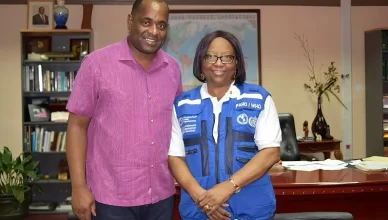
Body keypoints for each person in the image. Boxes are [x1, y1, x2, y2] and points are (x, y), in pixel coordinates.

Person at [65, 0, 182, 219]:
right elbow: (76, 126)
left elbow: (175, 129)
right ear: (130, 21)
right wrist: (78, 187)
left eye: (161, 25)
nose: (154, 31)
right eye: (146, 22)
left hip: (162, 195)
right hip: (110, 198)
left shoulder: (173, 69)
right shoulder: (96, 64)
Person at [168, 30, 281, 220]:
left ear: (237, 63)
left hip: (252, 210)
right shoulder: (182, 104)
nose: (218, 63)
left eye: (227, 57)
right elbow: (175, 157)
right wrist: (202, 199)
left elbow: (270, 152)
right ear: (200, 62)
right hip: (198, 211)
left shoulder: (259, 98)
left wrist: (227, 188)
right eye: (211, 56)